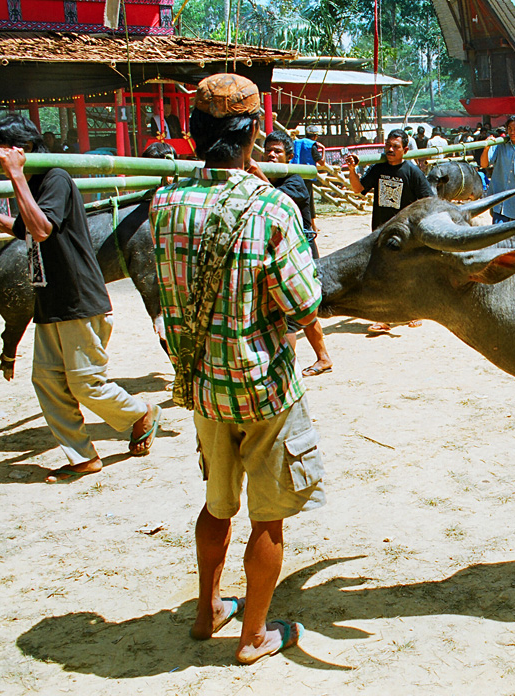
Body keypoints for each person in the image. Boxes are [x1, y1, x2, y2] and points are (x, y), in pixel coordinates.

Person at [149, 72, 325, 664]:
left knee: (216, 502)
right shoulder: (272, 208)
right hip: (262, 387)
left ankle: (207, 613)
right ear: (253, 135)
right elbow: (303, 304)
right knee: (269, 517)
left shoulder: (165, 204)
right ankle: (254, 635)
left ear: (193, 133)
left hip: (201, 385)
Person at [0, 115, 159, 483]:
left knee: (86, 383)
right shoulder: (35, 185)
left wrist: (15, 176)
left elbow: (40, 229)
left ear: (19, 152)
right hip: (49, 302)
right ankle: (82, 456)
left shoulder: (55, 177)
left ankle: (140, 413)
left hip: (78, 299)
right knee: (47, 382)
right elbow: (20, 228)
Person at [346, 128, 434, 333]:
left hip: (405, 233)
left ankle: (414, 311)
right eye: (388, 145)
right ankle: (385, 316)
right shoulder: (378, 168)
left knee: (409, 271)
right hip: (381, 229)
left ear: (405, 149)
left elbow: (428, 200)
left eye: (395, 146)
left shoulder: (413, 172)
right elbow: (358, 189)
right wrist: (352, 170)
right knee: (383, 272)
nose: (390, 150)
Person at [264, 129, 333, 377]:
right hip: (278, 252)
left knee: (295, 313)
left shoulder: (294, 180)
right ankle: (323, 357)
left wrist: (256, 176)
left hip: (299, 254)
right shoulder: (268, 180)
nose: (271, 155)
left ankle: (285, 375)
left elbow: (273, 200)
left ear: (289, 157)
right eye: (268, 151)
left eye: (277, 152)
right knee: (299, 312)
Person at [290, 124, 324, 232]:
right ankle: (310, 225)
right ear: (315, 136)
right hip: (308, 176)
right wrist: (323, 149)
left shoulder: (297, 143)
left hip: (296, 174)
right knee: (308, 202)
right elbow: (321, 162)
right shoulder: (312, 145)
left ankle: (305, 223)